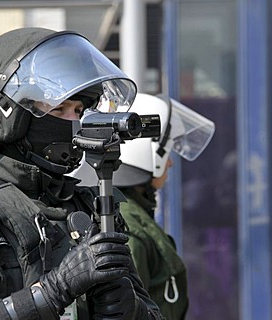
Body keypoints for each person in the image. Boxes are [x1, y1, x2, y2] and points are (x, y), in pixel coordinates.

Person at [0, 27, 164, 320]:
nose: (75, 121)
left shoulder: (89, 206)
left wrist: (129, 309)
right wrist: (53, 291)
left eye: (79, 109)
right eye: (60, 110)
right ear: (13, 117)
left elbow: (154, 313)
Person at [70, 93, 215, 319]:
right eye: (168, 152)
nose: (171, 162)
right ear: (151, 156)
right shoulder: (126, 226)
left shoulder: (127, 213)